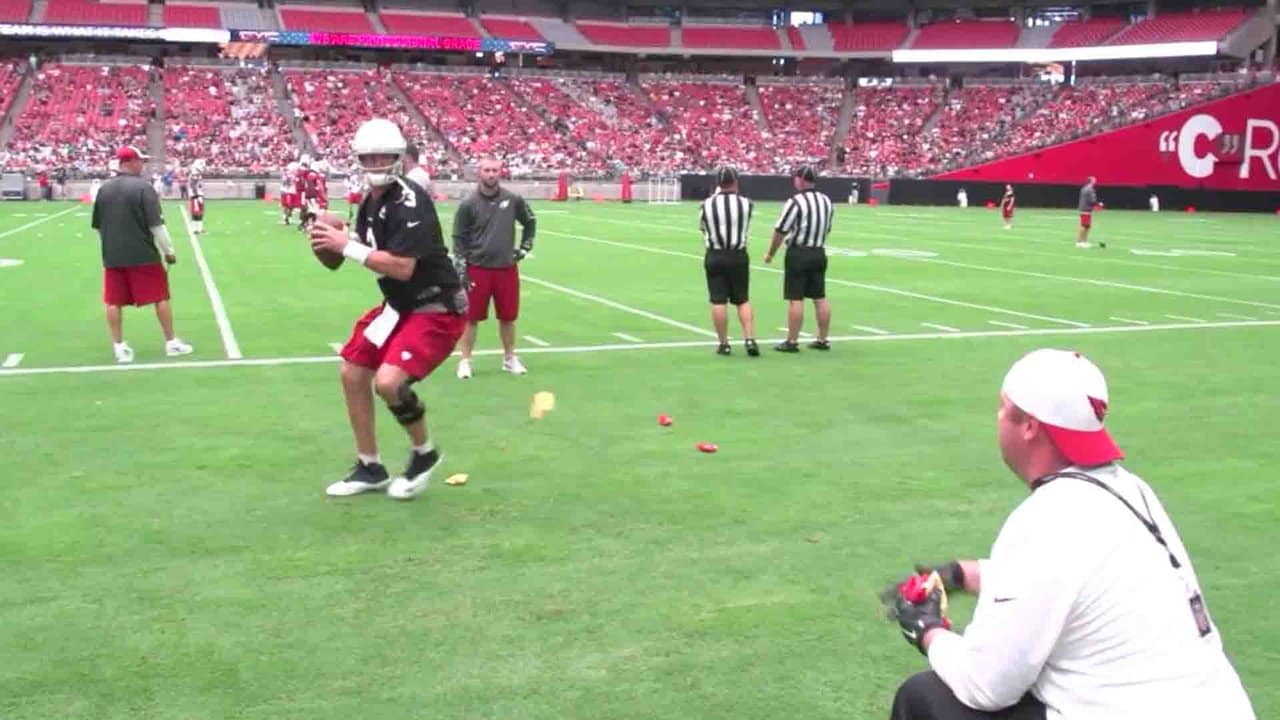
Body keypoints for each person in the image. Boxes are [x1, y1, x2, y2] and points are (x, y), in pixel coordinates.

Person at [883, 348, 1257, 720]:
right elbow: (1064, 578)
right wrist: (960, 574)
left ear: (1029, 426)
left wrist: (926, 629)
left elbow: (985, 685)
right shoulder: (1131, 490)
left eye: (1002, 407)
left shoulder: (1047, 517)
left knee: (925, 698)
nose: (996, 418)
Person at [307, 119, 467, 501]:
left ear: (398, 158)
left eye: (384, 156)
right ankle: (370, 466)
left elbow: (402, 265)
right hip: (399, 305)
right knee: (352, 372)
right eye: (369, 157)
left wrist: (345, 244)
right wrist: (324, 244)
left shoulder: (410, 198)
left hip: (434, 304)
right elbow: (344, 261)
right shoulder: (369, 202)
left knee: (389, 382)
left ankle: (424, 455)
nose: (376, 163)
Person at [91, 145, 194, 364]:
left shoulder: (104, 189)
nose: (143, 164)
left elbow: (98, 226)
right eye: (140, 161)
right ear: (129, 162)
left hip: (113, 254)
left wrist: (110, 246)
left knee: (113, 301)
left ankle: (119, 347)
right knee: (160, 296)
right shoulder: (144, 188)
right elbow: (156, 226)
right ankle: (171, 342)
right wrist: (169, 251)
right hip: (143, 253)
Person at [451, 156, 536, 379]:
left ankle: (509, 358)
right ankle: (465, 360)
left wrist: (524, 248)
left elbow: (530, 221)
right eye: (487, 170)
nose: (491, 174)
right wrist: (461, 268)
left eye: (495, 170)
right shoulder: (468, 202)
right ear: (480, 172)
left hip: (506, 267)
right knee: (471, 318)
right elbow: (458, 237)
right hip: (477, 267)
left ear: (501, 172)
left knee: (508, 317)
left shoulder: (512, 198)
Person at [764, 165, 833, 353]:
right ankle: (823, 339)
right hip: (818, 251)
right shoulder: (826, 201)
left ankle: (792, 341)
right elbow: (827, 228)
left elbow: (781, 230)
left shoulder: (795, 202)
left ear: (801, 179)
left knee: (796, 298)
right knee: (819, 297)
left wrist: (771, 253)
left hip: (799, 253)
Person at [699, 166, 757, 356]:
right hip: (738, 254)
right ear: (736, 182)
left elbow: (703, 227)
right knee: (742, 299)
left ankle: (724, 343)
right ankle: (749, 339)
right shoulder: (746, 204)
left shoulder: (706, 204)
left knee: (718, 300)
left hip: (715, 254)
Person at [1077, 176, 1099, 249]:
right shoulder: (1090, 189)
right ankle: (1080, 242)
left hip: (1083, 208)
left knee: (1086, 226)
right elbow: (1092, 200)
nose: (1095, 182)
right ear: (1091, 181)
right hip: (1086, 209)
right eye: (1094, 180)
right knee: (1085, 226)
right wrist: (1099, 205)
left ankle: (1083, 241)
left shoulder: (1084, 188)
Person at [187, 160, 205, 234]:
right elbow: (193, 186)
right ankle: (195, 229)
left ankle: (199, 229)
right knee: (197, 213)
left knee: (199, 213)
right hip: (195, 196)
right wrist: (198, 196)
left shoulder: (196, 173)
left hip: (196, 195)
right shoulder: (195, 174)